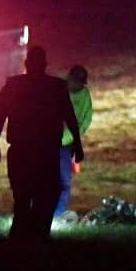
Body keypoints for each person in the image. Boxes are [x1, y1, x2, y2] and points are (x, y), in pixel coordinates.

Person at [0, 45, 84, 240]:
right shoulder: (56, 87)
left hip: (22, 150)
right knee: (47, 194)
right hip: (45, 151)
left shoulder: (14, 85)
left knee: (23, 196)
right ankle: (38, 234)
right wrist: (78, 145)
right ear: (45, 64)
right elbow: (70, 117)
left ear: (26, 64)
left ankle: (20, 237)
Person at [54, 64, 93, 222]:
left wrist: (75, 139)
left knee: (64, 181)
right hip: (48, 141)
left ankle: (57, 214)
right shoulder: (56, 90)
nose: (78, 86)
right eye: (76, 82)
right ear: (69, 78)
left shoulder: (84, 95)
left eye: (81, 83)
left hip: (66, 145)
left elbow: (86, 118)